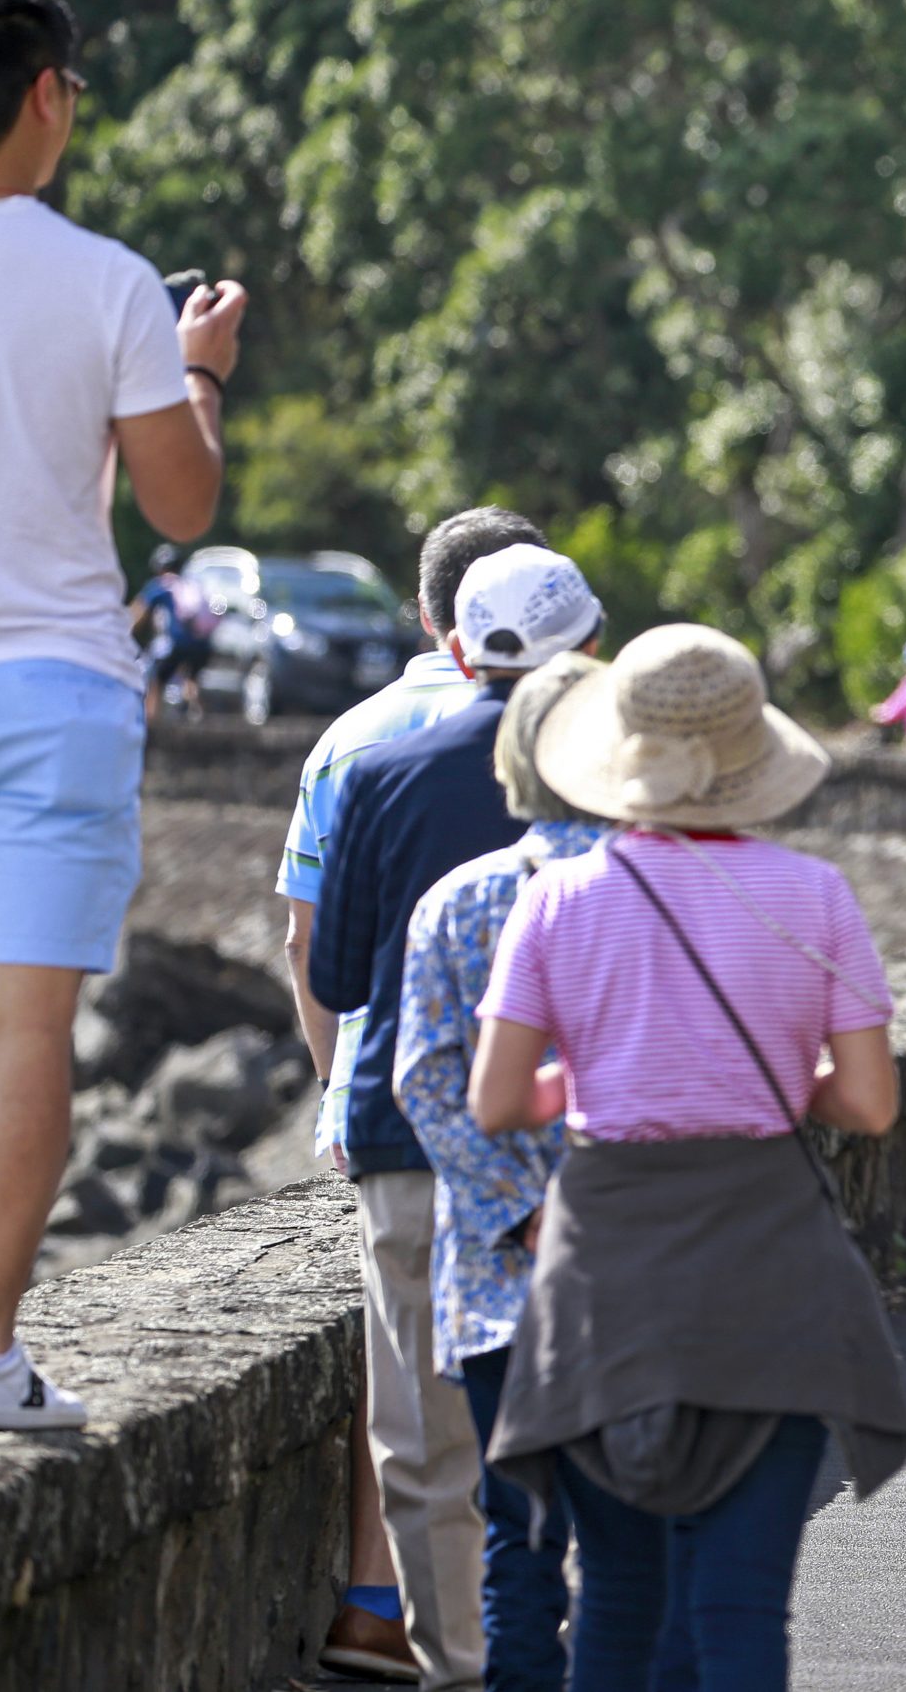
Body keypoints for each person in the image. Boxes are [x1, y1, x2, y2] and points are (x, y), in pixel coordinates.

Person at [468, 624, 906, 1691]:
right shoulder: (814, 897)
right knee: (740, 1610)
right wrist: (774, 1076)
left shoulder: (559, 898)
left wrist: (593, 1076)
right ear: (749, 751)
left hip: (607, 1273)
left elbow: (496, 1100)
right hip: (768, 1264)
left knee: (616, 1604)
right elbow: (869, 1101)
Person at [0, 0, 246, 1432]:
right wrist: (197, 372)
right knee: (25, 1035)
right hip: (55, 684)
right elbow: (182, 506)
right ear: (48, 95)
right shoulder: (106, 281)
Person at [310, 544, 604, 1691]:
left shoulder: (379, 770)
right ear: (584, 649)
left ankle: (467, 1662)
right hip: (583, 1146)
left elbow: (335, 970)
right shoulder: (618, 778)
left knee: (428, 1433)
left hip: (407, 1126)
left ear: (451, 647)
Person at [275, 503, 545, 1681]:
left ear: (434, 618)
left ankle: (439, 1641)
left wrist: (340, 1091)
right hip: (570, 1124)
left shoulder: (359, 747)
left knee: (421, 1409)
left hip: (399, 1119)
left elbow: (311, 949)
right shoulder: (603, 744)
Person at [393, 652, 608, 1692]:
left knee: (515, 1535)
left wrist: (519, 1209)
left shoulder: (457, 901)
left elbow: (425, 1082)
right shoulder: (665, 896)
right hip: (640, 1266)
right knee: (630, 1542)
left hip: (492, 1281)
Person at [128, 541, 213, 723]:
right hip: (202, 643)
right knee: (191, 679)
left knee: (155, 678)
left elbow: (137, 614)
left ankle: (150, 722)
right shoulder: (191, 584)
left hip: (176, 642)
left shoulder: (161, 585)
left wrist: (122, 635)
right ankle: (198, 718)